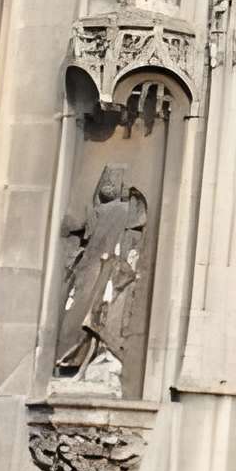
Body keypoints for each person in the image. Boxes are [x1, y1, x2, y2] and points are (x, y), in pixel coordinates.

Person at [55, 163, 149, 390]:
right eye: (106, 180)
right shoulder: (102, 211)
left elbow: (133, 236)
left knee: (97, 314)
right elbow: (78, 228)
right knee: (82, 312)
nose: (108, 185)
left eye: (113, 180)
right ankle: (75, 360)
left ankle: (94, 358)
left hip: (108, 271)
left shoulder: (124, 211)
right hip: (93, 268)